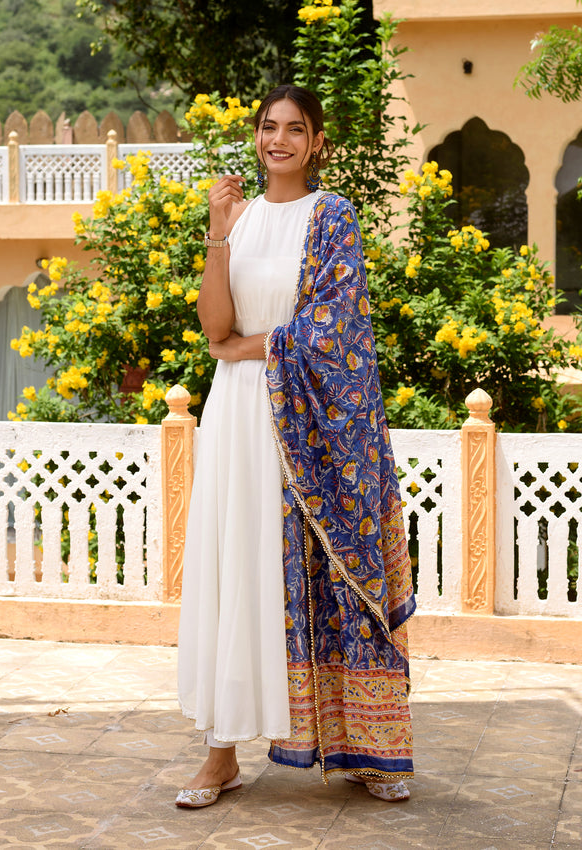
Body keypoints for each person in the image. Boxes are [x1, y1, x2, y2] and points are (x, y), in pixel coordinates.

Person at [175, 84, 415, 809]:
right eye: (268, 127)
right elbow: (213, 324)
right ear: (257, 137)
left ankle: (368, 748)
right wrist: (218, 232)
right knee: (236, 572)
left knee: (320, 572)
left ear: (316, 143)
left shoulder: (332, 216)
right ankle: (220, 755)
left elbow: (335, 331)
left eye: (295, 129)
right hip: (238, 421)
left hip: (307, 427)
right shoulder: (238, 218)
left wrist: (249, 347)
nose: (278, 139)